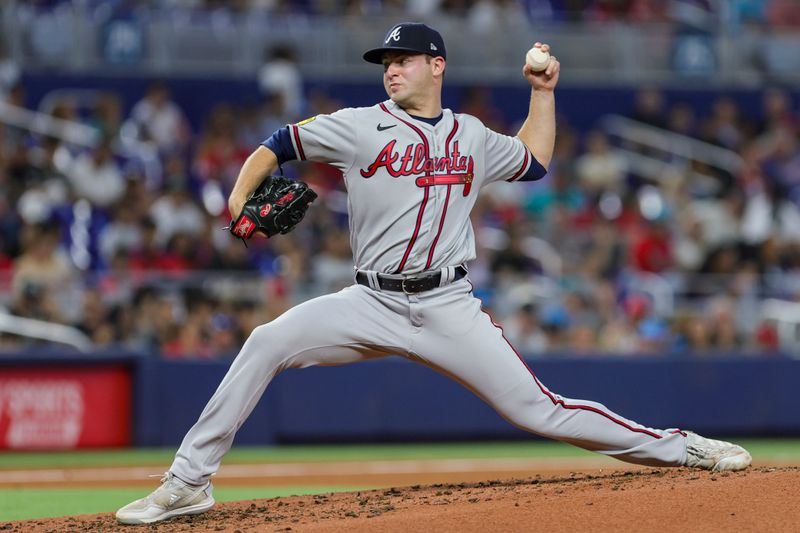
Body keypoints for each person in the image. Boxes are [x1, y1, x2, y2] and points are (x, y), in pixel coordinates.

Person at [116, 22, 752, 525]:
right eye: (386, 62)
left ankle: (682, 447)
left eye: (405, 59)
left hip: (448, 304)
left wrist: (542, 93)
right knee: (266, 342)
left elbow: (533, 160)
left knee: (541, 412)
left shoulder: (471, 135)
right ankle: (188, 483)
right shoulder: (360, 126)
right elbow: (277, 144)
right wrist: (237, 199)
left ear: (437, 65)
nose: (392, 68)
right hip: (367, 301)